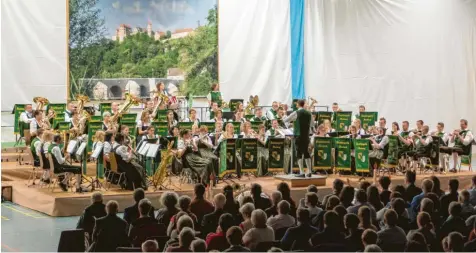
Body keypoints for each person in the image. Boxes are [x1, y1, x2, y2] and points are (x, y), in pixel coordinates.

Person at [283, 99, 312, 177]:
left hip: (298, 135)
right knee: (306, 153)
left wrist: (285, 114)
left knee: (299, 153)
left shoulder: (296, 112)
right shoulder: (309, 113)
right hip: (306, 136)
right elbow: (311, 124)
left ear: (298, 105)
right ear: (304, 104)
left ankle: (302, 172)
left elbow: (285, 120)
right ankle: (309, 171)